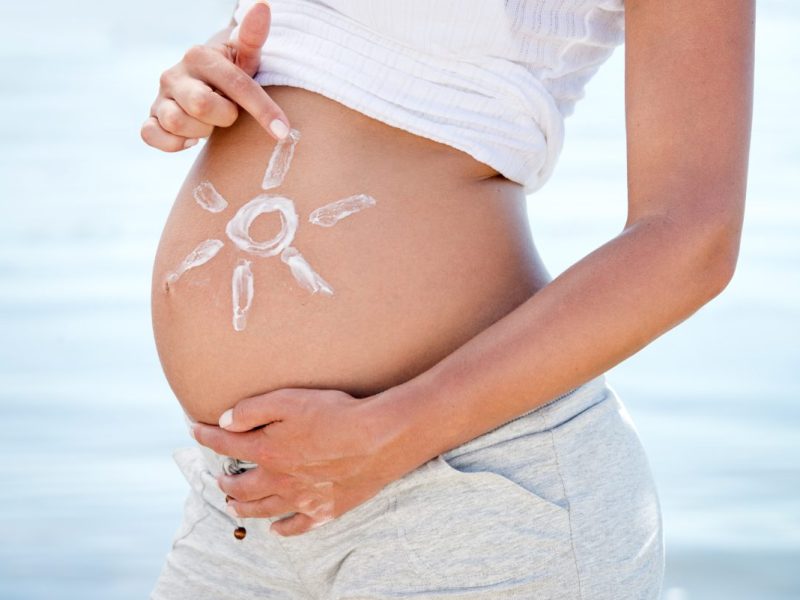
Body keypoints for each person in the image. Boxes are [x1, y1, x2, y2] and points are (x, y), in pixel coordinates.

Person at [141, 0, 754, 598]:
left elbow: (692, 239)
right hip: (243, 502)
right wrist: (202, 80)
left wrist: (394, 431)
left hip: (474, 489)